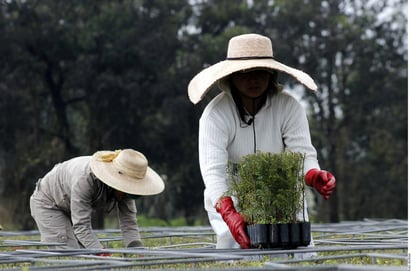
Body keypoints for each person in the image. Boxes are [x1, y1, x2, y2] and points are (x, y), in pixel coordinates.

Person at [188, 33, 336, 249]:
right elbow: (214, 172)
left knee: (297, 255)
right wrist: (229, 213)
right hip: (233, 201)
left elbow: (303, 154)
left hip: (283, 200)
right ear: (231, 76)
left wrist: (314, 175)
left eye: (260, 72)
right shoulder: (216, 115)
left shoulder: (289, 106)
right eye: (244, 73)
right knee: (237, 259)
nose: (253, 79)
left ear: (271, 73)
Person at [30, 148, 165, 250]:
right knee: (68, 252)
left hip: (71, 205)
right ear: (117, 178)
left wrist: (137, 249)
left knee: (84, 252)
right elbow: (82, 226)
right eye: (125, 191)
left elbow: (129, 222)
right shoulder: (85, 179)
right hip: (49, 203)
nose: (126, 196)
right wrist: (100, 251)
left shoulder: (125, 189)